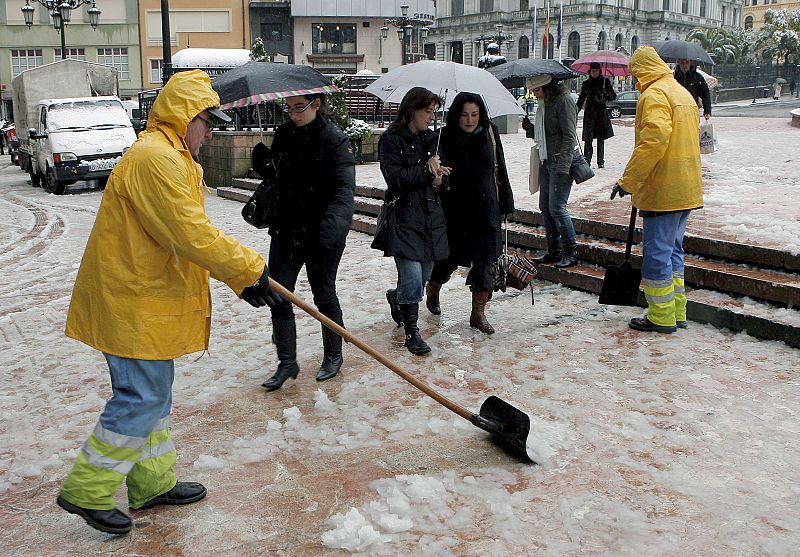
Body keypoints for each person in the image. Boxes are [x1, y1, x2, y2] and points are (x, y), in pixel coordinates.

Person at [56, 70, 281, 535]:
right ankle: (87, 489)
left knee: (153, 398)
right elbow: (189, 233)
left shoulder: (170, 156)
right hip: (131, 300)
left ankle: (152, 483)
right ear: (185, 116)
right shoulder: (155, 159)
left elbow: (185, 235)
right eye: (208, 123)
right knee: (142, 396)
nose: (211, 133)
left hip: (143, 298)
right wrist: (247, 271)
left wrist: (242, 278)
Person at [260, 92, 356, 391]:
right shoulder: (284, 134)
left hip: (322, 232)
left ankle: (333, 355)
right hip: (287, 230)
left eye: (299, 108)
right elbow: (278, 178)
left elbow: (343, 190)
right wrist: (265, 164)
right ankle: (287, 362)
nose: (293, 114)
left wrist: (331, 231)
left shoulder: (335, 139)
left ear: (317, 104)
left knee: (324, 294)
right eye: (288, 108)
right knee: (278, 293)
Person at [611, 46, 703, 334]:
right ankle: (677, 311)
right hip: (686, 187)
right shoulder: (681, 93)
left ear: (641, 70)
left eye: (634, 73)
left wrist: (628, 181)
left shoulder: (654, 95)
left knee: (656, 255)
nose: (634, 78)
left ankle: (661, 316)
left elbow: (654, 139)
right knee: (674, 252)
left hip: (664, 189)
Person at [427, 92, 514, 335]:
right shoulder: (444, 136)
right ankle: (433, 286)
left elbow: (500, 167)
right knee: (448, 259)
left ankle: (478, 313)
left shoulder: (490, 132)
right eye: (465, 115)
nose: (470, 120)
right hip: (455, 208)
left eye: (474, 114)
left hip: (486, 208)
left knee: (486, 261)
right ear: (456, 115)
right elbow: (436, 174)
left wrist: (506, 203)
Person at [378, 87, 449, 355]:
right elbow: (395, 179)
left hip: (430, 217)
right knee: (411, 277)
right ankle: (412, 332)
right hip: (404, 217)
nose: (431, 117)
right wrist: (425, 170)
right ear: (412, 110)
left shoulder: (434, 140)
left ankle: (397, 298)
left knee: (423, 277)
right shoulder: (391, 140)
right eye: (427, 111)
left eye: (434, 112)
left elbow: (441, 181)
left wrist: (440, 179)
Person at [521, 75, 580, 268]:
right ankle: (554, 250)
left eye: (537, 90)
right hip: (546, 160)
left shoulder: (564, 101)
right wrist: (530, 129)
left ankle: (571, 251)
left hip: (560, 161)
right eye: (533, 91)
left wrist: (563, 166)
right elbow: (545, 134)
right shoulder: (544, 104)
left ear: (548, 87)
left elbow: (569, 136)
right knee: (545, 207)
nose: (535, 94)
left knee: (557, 208)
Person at [576, 62, 616, 169]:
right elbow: (581, 99)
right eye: (593, 71)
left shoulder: (605, 82)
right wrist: (575, 112)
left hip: (601, 113)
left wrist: (606, 95)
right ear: (590, 71)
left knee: (600, 138)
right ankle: (587, 160)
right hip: (589, 113)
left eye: (596, 71)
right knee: (588, 139)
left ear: (599, 71)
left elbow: (613, 96)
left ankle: (600, 161)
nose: (594, 73)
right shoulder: (586, 83)